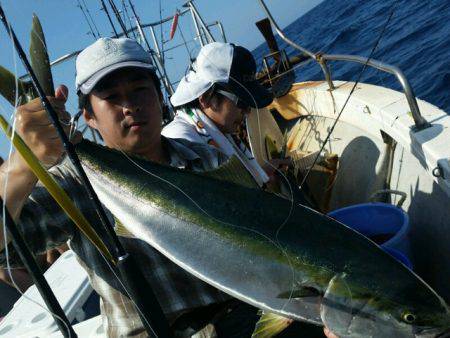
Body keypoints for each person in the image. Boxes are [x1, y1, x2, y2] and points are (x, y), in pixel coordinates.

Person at [0, 37, 259, 337]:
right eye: (111, 97)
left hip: (243, 317)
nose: (130, 106)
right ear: (89, 117)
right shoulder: (74, 184)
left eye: (139, 90)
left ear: (160, 97)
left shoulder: (206, 159)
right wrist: (19, 168)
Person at [162, 42, 276, 189]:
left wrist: (264, 173)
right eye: (241, 102)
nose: (247, 111)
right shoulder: (180, 141)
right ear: (205, 98)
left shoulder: (217, 129)